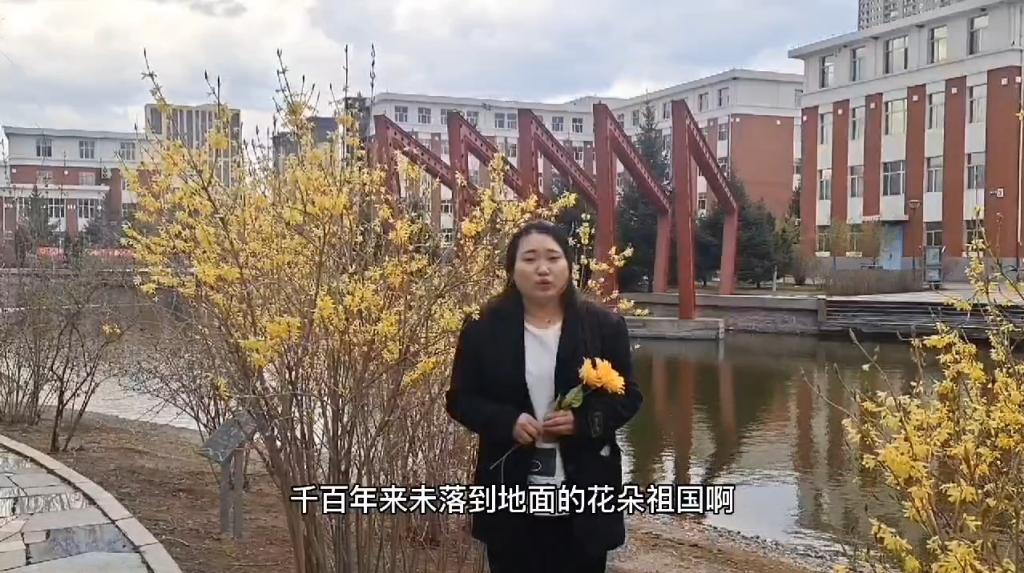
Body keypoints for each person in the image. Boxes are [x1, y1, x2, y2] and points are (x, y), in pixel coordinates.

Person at [446, 219, 643, 573]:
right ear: (511, 268)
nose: (542, 269)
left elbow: (629, 397)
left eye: (553, 258)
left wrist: (582, 421)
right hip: (510, 491)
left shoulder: (603, 326)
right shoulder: (482, 327)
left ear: (569, 266)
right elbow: (460, 399)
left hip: (583, 493)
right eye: (529, 259)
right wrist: (507, 421)